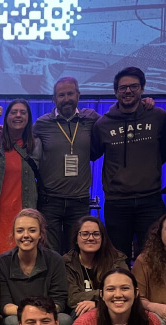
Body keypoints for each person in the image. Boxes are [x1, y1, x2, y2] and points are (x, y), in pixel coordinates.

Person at [92, 67, 166, 261]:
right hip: (117, 202)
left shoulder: (158, 117)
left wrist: (148, 166)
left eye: (133, 87)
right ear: (116, 92)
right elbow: (93, 153)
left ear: (142, 89)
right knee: (118, 259)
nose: (128, 91)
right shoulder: (103, 124)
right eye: (123, 88)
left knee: (153, 259)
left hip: (150, 200)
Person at [33, 77, 99, 254]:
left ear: (78, 95)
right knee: (50, 253)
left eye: (70, 93)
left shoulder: (91, 119)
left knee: (77, 252)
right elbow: (20, 138)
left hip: (79, 200)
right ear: (54, 99)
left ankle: (75, 282)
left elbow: (115, 119)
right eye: (61, 95)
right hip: (49, 201)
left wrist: (146, 102)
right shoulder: (41, 124)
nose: (66, 98)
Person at [0, 209, 69, 325]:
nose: (25, 235)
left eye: (32, 230)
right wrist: (29, 317)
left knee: (64, 320)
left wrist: (40, 317)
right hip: (16, 315)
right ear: (14, 234)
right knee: (13, 323)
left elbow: (59, 300)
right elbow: (4, 305)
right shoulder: (1, 262)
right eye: (20, 231)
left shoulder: (55, 260)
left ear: (40, 234)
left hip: (47, 313)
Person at [0, 99, 41, 255]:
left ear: (29, 118)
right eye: (14, 112)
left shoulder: (36, 144)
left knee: (19, 261)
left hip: (22, 213)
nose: (18, 115)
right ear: (6, 117)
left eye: (23, 112)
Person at [63, 216, 129, 317]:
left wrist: (98, 304)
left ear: (102, 238)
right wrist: (104, 293)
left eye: (96, 234)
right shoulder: (67, 262)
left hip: (113, 308)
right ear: (76, 238)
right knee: (84, 311)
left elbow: (126, 291)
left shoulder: (116, 259)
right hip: (81, 311)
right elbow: (72, 299)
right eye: (85, 234)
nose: (91, 238)